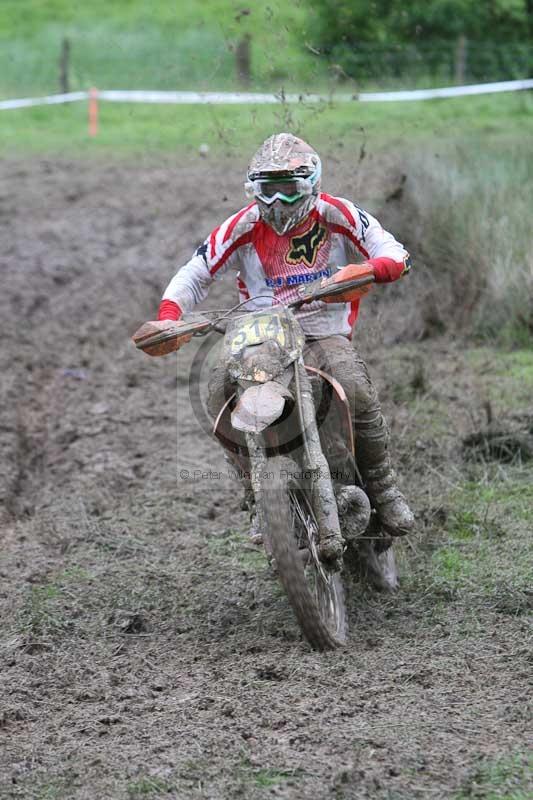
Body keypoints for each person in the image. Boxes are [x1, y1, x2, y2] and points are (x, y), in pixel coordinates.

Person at [154, 133, 414, 539]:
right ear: (253, 191)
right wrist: (170, 316)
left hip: (322, 330)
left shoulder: (338, 214)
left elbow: (392, 250)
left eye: (289, 191)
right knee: (220, 392)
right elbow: (196, 272)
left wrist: (372, 269)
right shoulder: (241, 226)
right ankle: (258, 495)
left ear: (311, 186)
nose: (278, 204)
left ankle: (382, 485)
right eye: (268, 192)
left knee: (353, 385)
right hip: (262, 335)